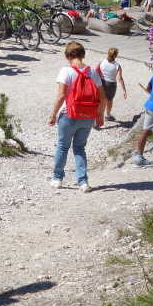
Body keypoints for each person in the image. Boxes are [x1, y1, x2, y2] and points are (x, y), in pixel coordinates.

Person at [47, 41, 105, 192]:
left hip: (69, 115)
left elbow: (61, 96)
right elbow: (103, 97)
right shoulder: (92, 72)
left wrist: (53, 115)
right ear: (82, 54)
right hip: (88, 116)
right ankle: (83, 182)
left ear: (68, 56)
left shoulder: (66, 71)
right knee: (79, 148)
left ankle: (57, 178)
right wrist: (100, 115)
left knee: (62, 147)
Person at [97, 47, 127, 121]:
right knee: (109, 100)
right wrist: (124, 90)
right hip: (111, 85)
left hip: (101, 82)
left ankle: (97, 118)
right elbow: (120, 78)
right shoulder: (117, 65)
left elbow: (96, 71)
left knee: (101, 100)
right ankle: (108, 115)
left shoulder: (101, 61)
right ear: (116, 55)